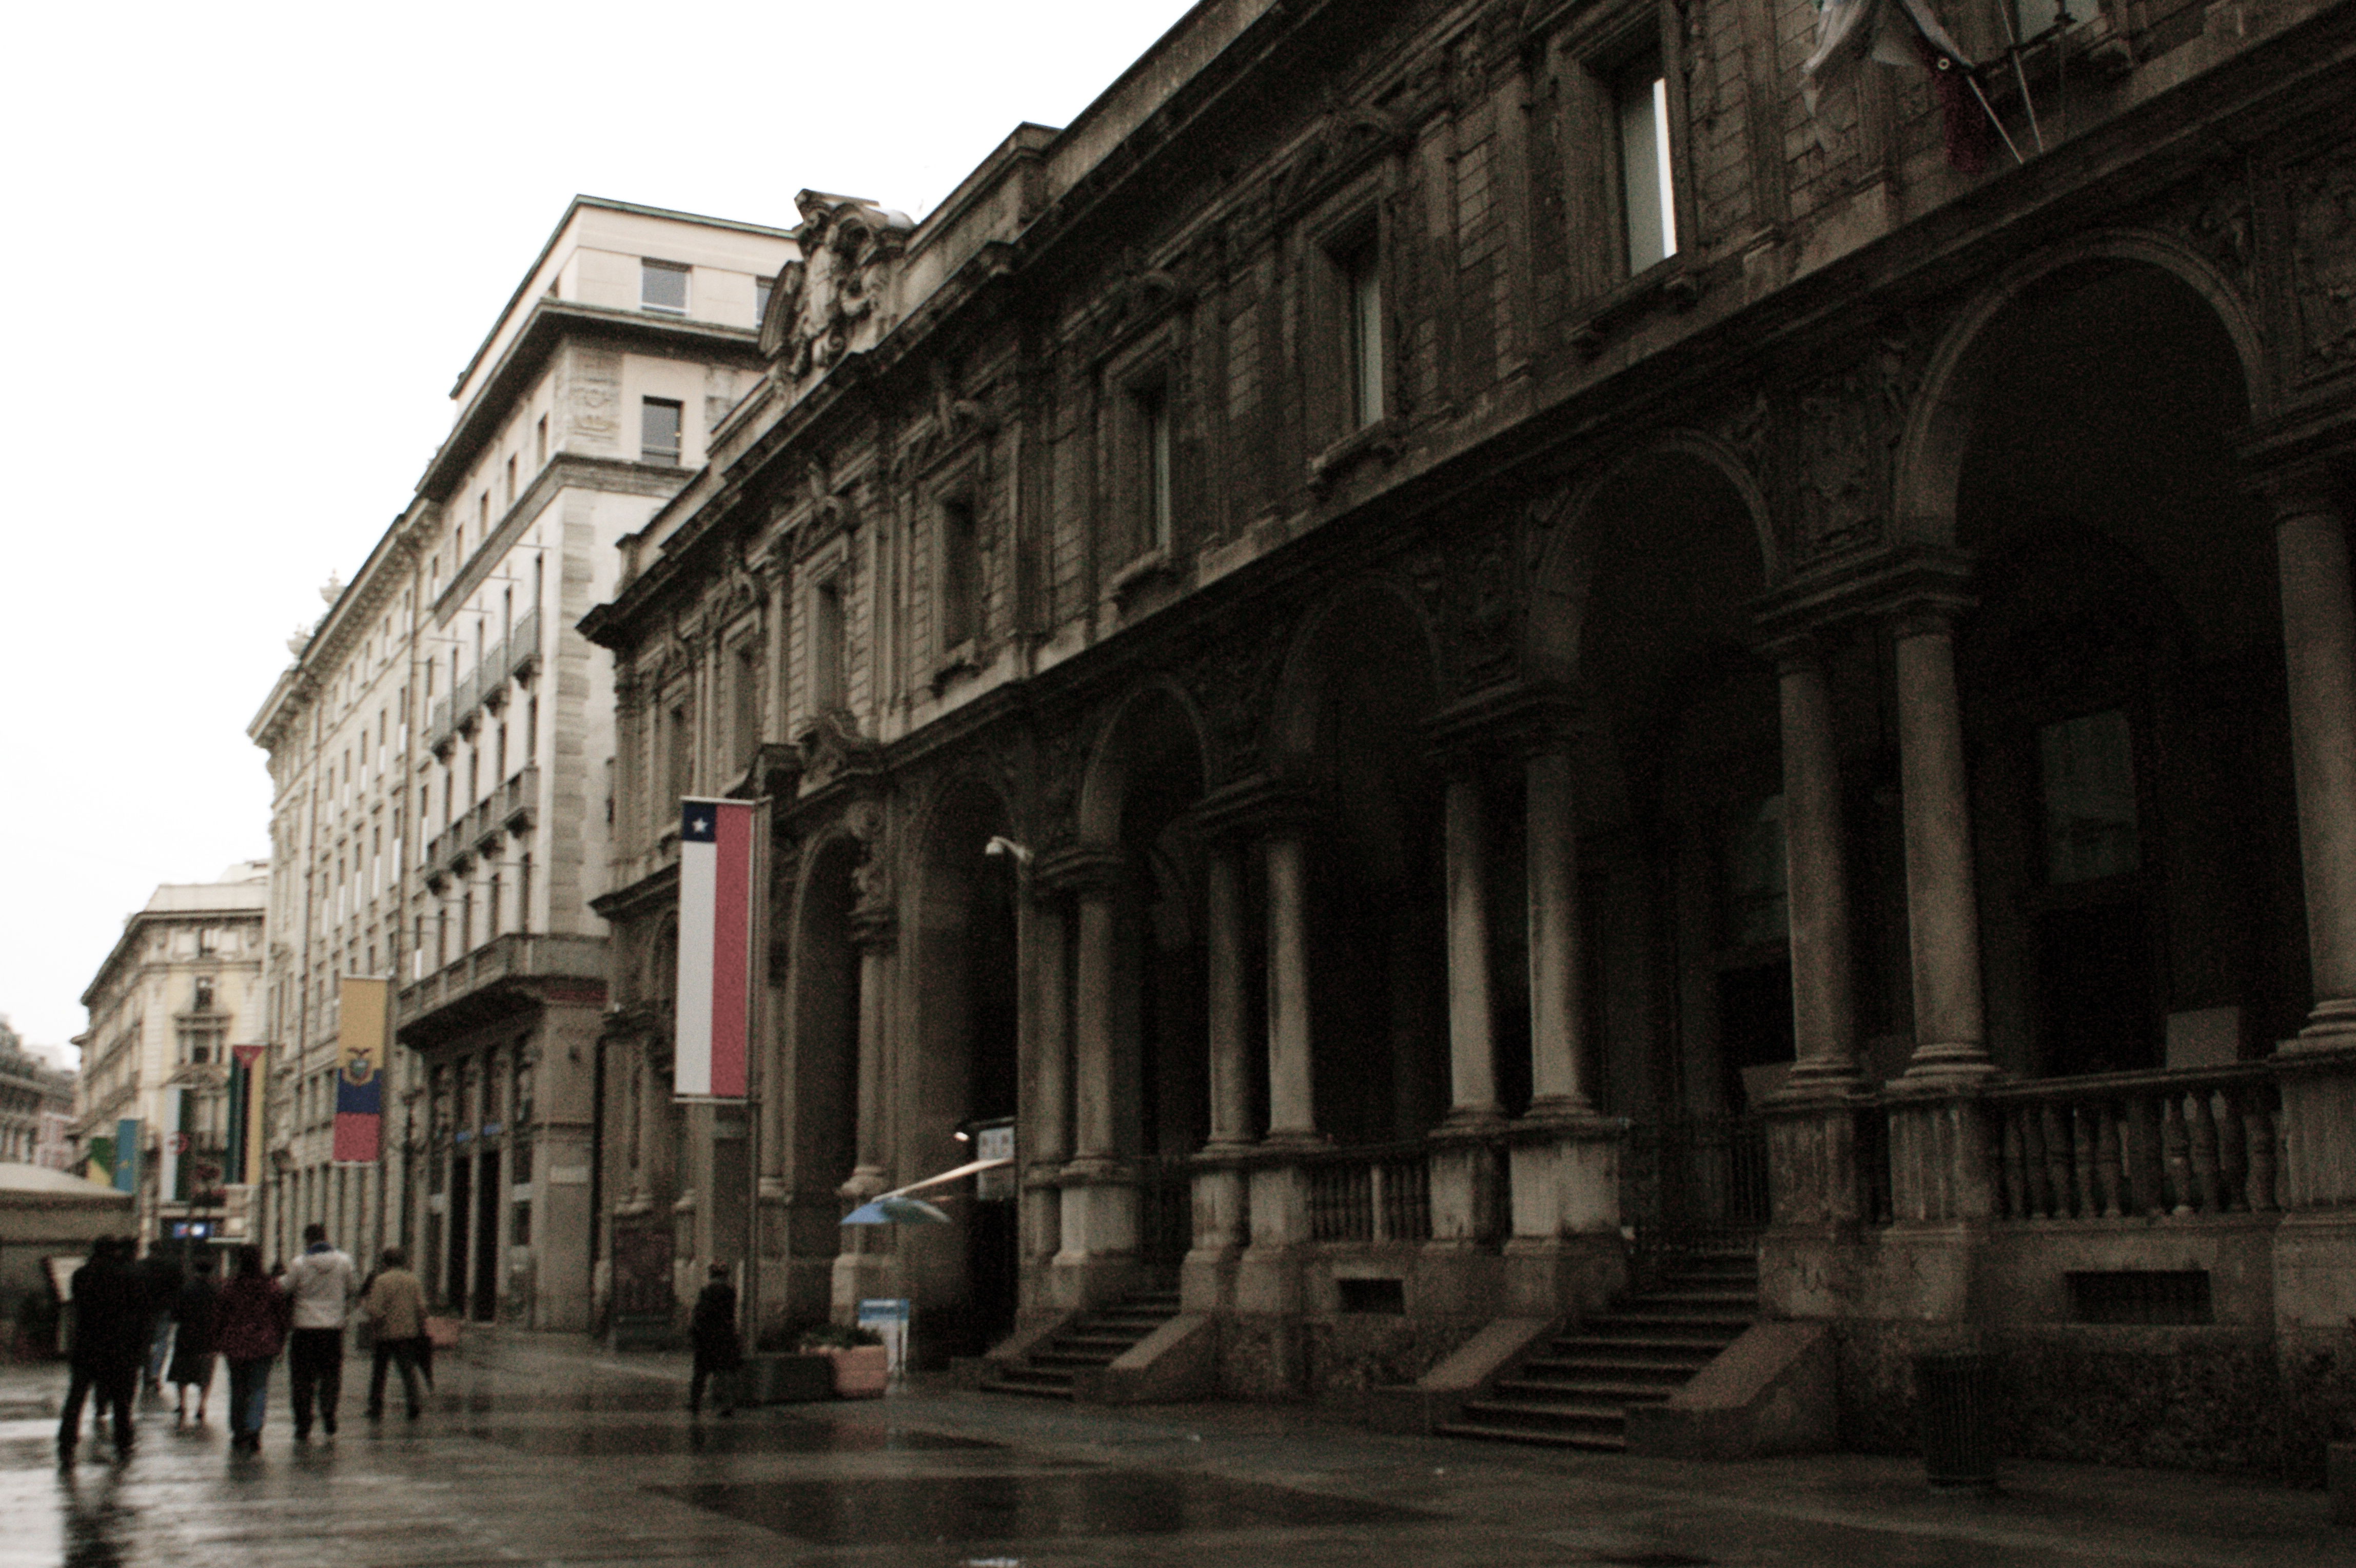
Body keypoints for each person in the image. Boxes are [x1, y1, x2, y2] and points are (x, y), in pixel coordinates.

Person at [56, 1238, 145, 1463]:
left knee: (77, 1397)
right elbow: (134, 1311)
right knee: (120, 1399)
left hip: (86, 1343)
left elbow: (77, 1306)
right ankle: (123, 1441)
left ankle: (66, 1442)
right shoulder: (124, 1276)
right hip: (115, 1345)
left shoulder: (81, 1275)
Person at [283, 1222, 356, 1440]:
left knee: (302, 1378)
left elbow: (286, 1288)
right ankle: (328, 1411)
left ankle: (304, 1422)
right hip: (332, 1328)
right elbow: (353, 1288)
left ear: (307, 1240)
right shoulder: (344, 1261)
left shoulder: (299, 1263)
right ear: (325, 1237)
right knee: (331, 1375)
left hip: (304, 1328)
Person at [214, 1246, 290, 1454]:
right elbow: (281, 1316)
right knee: (259, 1388)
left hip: (235, 1344)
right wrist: (281, 1340)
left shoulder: (231, 1287)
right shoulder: (271, 1286)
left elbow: (220, 1315)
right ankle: (254, 1429)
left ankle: (238, 1430)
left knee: (238, 1388)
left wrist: (219, 1339)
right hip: (263, 1344)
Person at [361, 1247, 427, 1420]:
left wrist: (374, 1328)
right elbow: (422, 1308)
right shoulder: (413, 1280)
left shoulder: (381, 1281)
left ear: (385, 1262)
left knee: (380, 1372)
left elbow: (375, 1309)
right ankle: (414, 1403)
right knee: (408, 1370)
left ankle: (376, 1406)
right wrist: (421, 1328)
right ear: (404, 1262)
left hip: (386, 1333)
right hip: (408, 1332)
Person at [167, 1252, 221, 1425]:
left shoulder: (185, 1290)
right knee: (206, 1374)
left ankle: (182, 1404)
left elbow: (175, 1315)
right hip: (209, 1338)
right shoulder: (216, 1292)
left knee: (182, 1372)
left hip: (187, 1336)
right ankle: (201, 1405)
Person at [688, 1262, 743, 1417]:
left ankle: (695, 1402)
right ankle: (727, 1405)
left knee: (701, 1373)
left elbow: (701, 1314)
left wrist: (695, 1331)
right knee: (724, 1373)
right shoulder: (730, 1292)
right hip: (724, 1338)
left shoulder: (708, 1292)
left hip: (707, 1339)